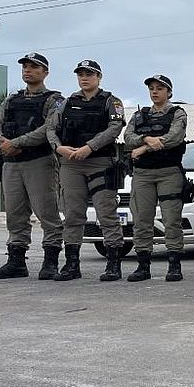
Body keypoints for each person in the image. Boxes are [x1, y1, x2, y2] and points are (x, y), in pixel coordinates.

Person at [0, 53, 64, 280]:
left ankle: (50, 263)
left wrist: (16, 143)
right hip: (11, 163)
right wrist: (2, 143)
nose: (27, 70)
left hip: (39, 161)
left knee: (47, 213)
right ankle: (16, 263)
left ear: (45, 72)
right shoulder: (12, 99)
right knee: (15, 215)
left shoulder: (54, 100)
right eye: (25, 67)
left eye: (34, 67)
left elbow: (49, 128)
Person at [46, 59, 126, 281]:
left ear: (99, 77)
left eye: (89, 74)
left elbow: (115, 128)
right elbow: (51, 128)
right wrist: (58, 147)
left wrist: (90, 147)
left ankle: (113, 265)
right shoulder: (66, 103)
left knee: (106, 213)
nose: (84, 78)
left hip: (100, 162)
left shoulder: (112, 101)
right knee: (72, 214)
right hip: (71, 163)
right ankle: (72, 265)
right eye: (80, 74)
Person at [124, 75, 188, 282]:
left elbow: (174, 138)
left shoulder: (177, 113)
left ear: (169, 92)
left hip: (169, 172)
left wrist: (143, 148)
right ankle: (143, 266)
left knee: (171, 220)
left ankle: (174, 266)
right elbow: (128, 138)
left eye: (160, 88)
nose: (155, 91)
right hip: (142, 174)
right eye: (152, 88)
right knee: (141, 220)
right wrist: (145, 138)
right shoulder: (139, 115)